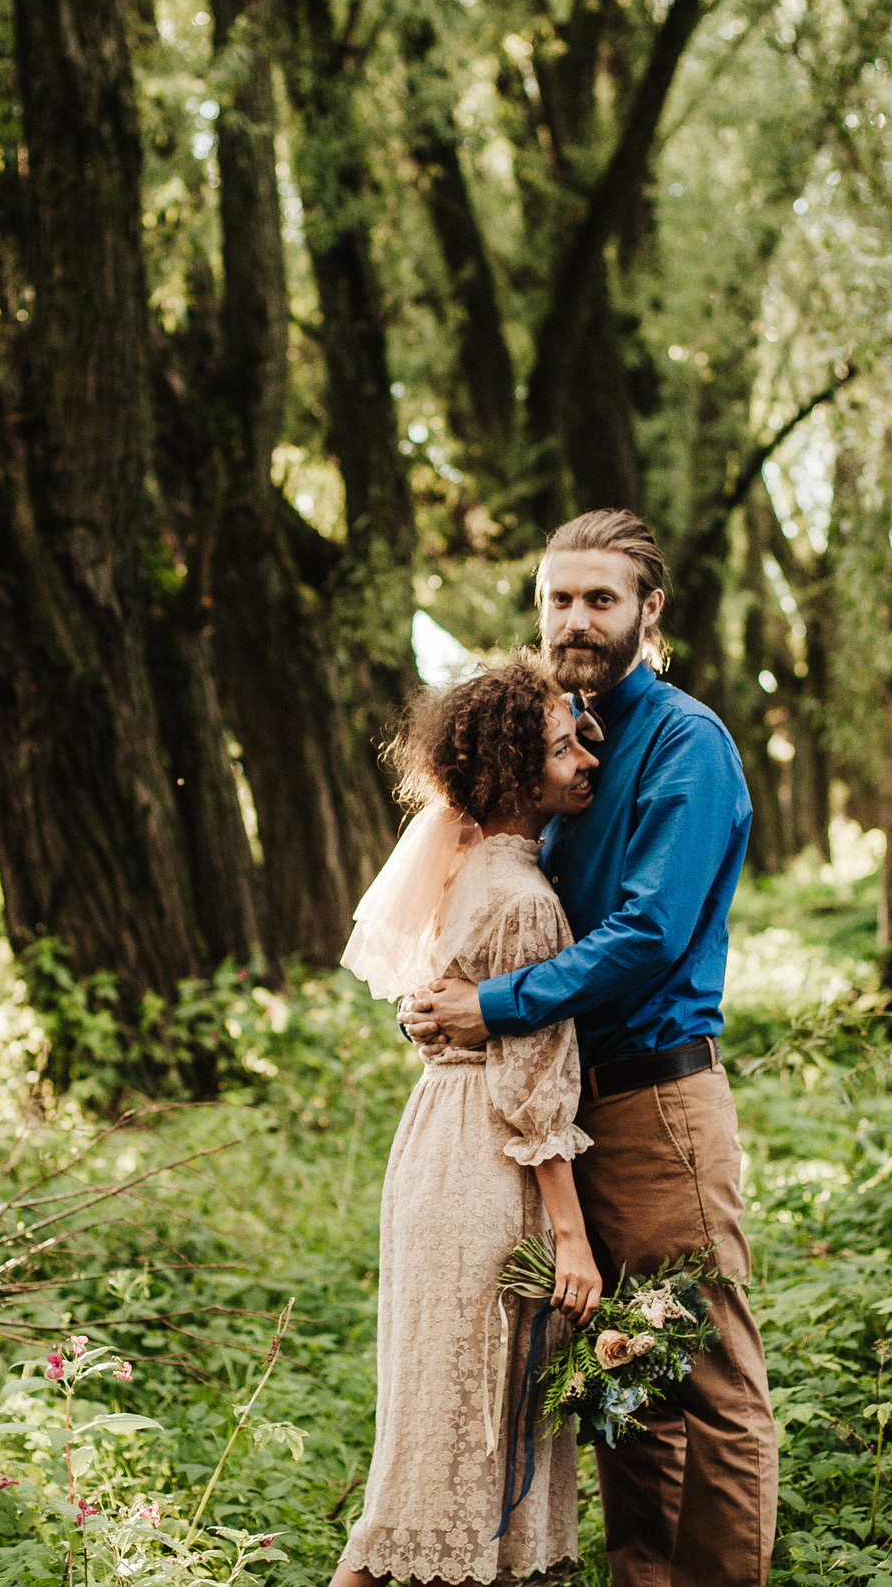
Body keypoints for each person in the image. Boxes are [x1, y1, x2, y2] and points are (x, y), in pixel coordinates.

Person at [402, 508, 779, 1587]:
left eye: (598, 599)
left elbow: (649, 935)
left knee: (704, 1381)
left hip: (655, 1105)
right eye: (557, 599)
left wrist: (497, 1005)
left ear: (648, 610)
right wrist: (442, 1000)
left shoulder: (684, 745)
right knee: (621, 1381)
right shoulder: (551, 751)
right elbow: (494, 904)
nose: (574, 619)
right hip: (556, 1121)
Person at [331, 661, 606, 1587]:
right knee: (479, 1412)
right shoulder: (527, 898)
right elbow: (534, 1084)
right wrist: (571, 1235)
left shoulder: (467, 867)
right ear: (513, 774)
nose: (585, 759)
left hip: (434, 1144)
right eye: (563, 747)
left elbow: (436, 1010)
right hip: (487, 1159)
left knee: (432, 1413)